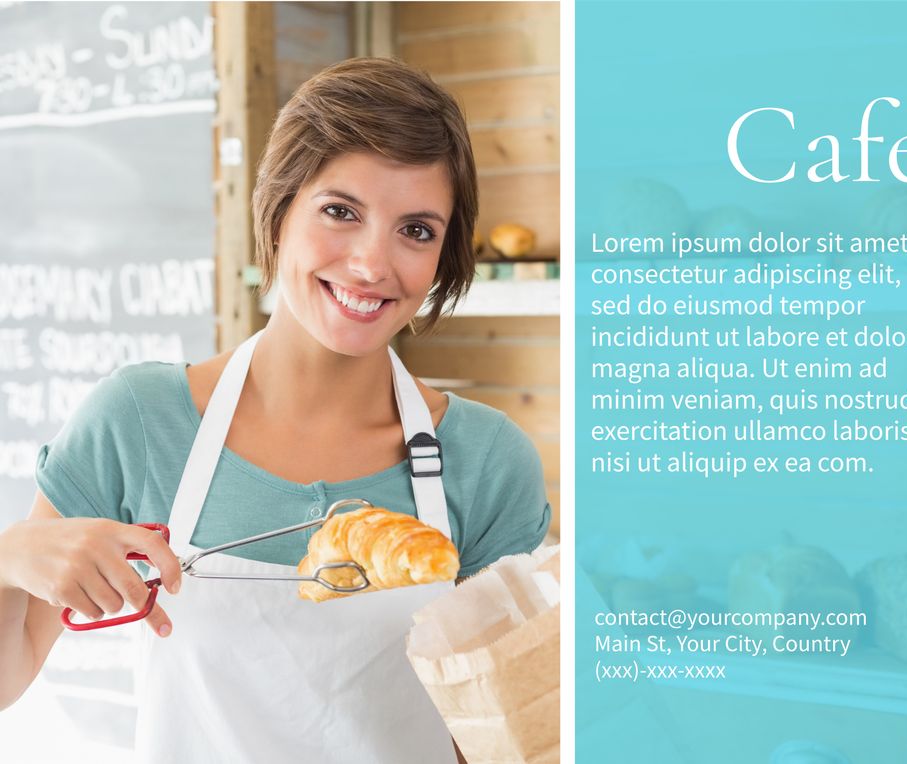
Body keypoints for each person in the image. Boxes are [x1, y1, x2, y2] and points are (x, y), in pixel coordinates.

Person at [0, 58, 551, 762]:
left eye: (416, 230)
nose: (369, 264)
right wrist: (9, 558)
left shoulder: (487, 462)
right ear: (279, 208)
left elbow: (504, 739)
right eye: (340, 211)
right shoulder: (139, 423)